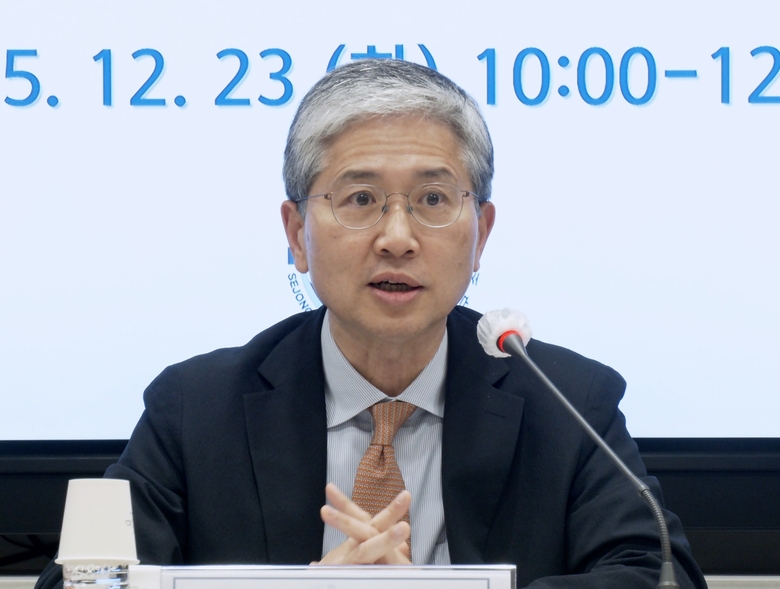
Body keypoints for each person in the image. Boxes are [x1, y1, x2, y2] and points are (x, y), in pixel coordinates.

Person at [36, 59, 707, 588]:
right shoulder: (195, 410)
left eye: (433, 199)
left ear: (480, 234)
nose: (397, 238)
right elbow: (81, 583)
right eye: (360, 198)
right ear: (296, 234)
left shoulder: (568, 402)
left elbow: (657, 573)